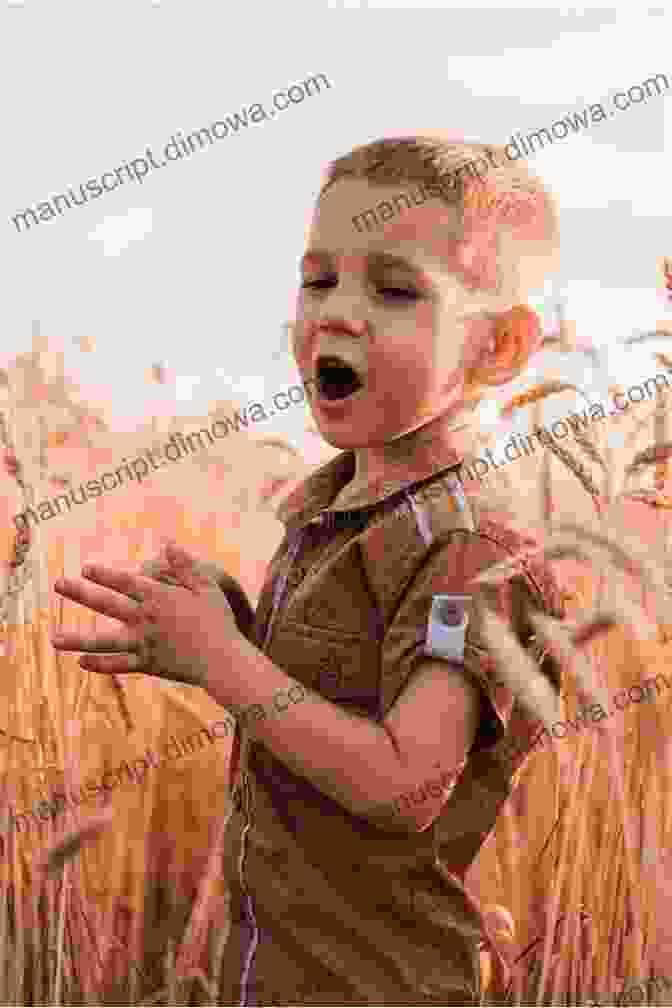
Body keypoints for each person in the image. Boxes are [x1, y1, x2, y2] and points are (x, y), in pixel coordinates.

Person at [51, 136, 568, 1005]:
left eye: (396, 290)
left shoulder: (471, 554)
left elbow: (406, 781)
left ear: (500, 350)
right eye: (319, 279)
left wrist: (227, 661)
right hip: (270, 975)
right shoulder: (326, 516)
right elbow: (325, 704)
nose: (337, 312)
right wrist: (228, 628)